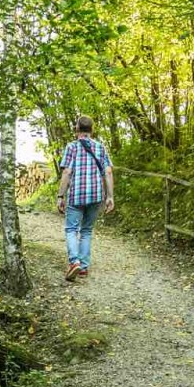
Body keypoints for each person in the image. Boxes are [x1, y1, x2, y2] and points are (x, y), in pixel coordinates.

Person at [55, 116, 114, 280]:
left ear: (76, 129)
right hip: (96, 196)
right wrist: (110, 197)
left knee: (71, 229)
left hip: (76, 195)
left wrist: (60, 196)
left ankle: (74, 262)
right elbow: (108, 172)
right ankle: (83, 268)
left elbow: (67, 172)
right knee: (86, 230)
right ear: (92, 130)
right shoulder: (100, 147)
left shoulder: (72, 147)